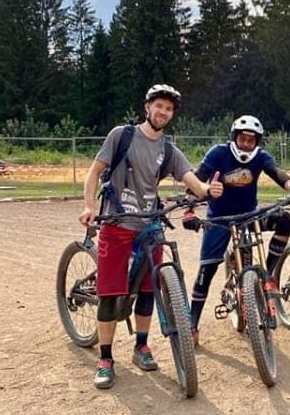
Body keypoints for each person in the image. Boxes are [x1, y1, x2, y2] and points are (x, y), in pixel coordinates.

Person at [79, 84, 224, 390]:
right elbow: (94, 172)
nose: (163, 112)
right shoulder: (122, 135)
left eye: (169, 109)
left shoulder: (168, 150)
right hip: (117, 222)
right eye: (159, 106)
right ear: (147, 107)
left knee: (148, 289)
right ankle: (105, 359)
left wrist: (207, 190)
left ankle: (141, 346)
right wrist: (90, 206)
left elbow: (192, 181)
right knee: (109, 294)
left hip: (150, 224)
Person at [184, 115, 290, 344]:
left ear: (257, 141)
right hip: (219, 218)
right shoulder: (218, 153)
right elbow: (196, 181)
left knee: (284, 220)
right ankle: (193, 324)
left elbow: (275, 171)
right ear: (234, 137)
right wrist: (189, 211)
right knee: (207, 270)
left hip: (250, 216)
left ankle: (267, 274)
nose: (246, 144)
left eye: (251, 140)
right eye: (243, 139)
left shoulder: (261, 156)